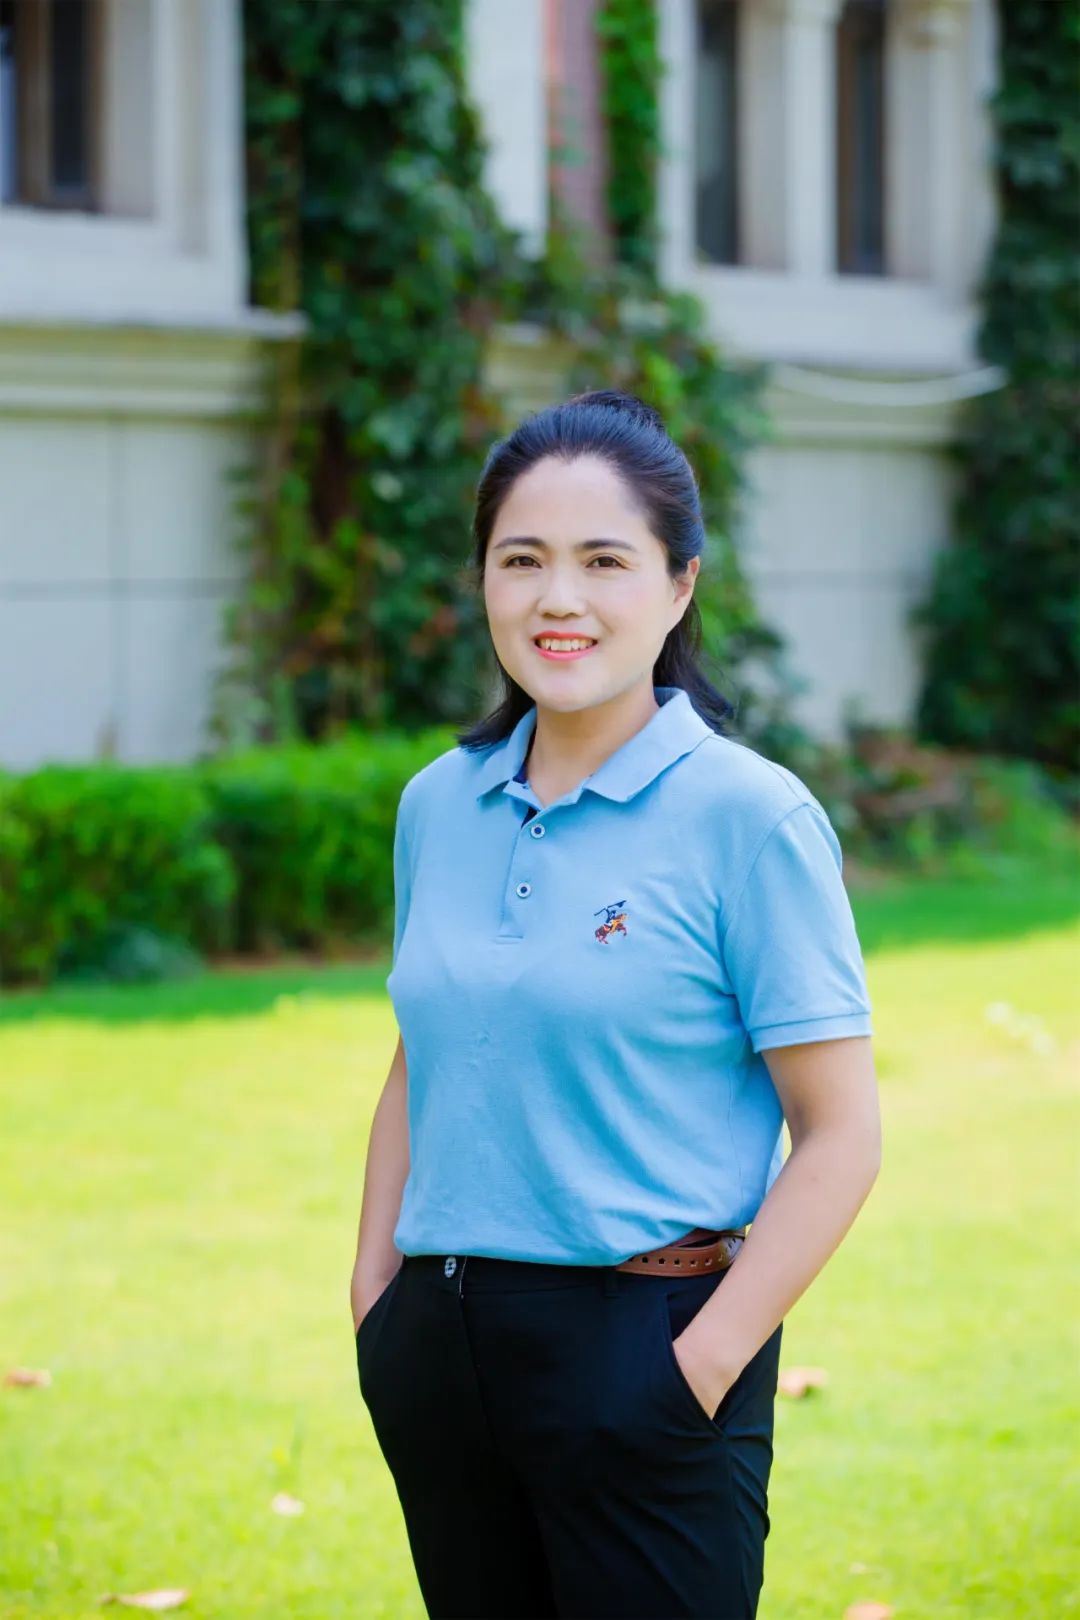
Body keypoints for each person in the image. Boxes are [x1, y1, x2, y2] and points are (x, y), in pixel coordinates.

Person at [350, 389, 881, 1620]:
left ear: (680, 585)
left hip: (650, 1345)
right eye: (520, 559)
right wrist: (377, 1301)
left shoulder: (752, 818)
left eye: (604, 561)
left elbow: (842, 1132)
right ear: (483, 580)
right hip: (441, 1349)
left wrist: (701, 1363)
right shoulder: (438, 802)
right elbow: (421, 1055)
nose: (559, 599)